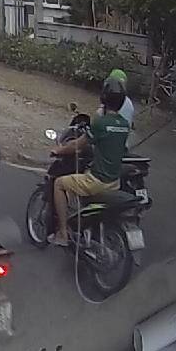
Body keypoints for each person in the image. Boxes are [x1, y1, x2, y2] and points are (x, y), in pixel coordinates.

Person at [48, 76, 131, 247]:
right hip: (114, 182)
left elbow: (77, 145)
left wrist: (59, 150)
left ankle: (62, 233)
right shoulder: (124, 124)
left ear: (103, 98)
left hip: (96, 181)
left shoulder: (101, 123)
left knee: (59, 184)